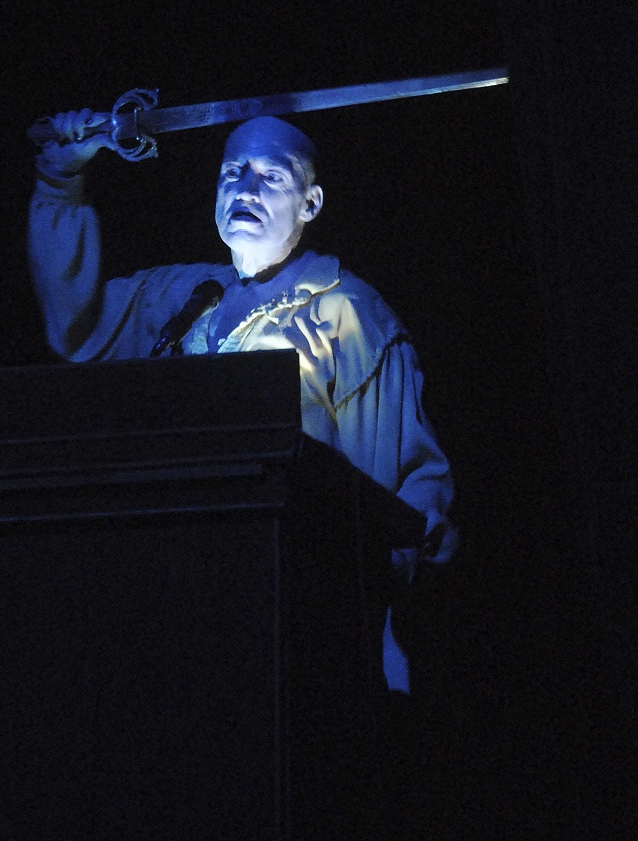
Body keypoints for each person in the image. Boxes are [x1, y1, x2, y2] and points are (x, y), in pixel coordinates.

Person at [29, 108, 457, 691]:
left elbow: (400, 489)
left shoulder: (344, 313)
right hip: (179, 601)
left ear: (310, 203)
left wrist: (366, 596)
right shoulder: (187, 296)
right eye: (233, 172)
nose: (246, 188)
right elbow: (77, 325)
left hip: (294, 618)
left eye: (271, 176)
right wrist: (60, 178)